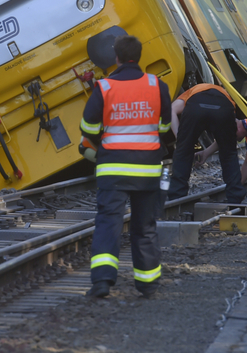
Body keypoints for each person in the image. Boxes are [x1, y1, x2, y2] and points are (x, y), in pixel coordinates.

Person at [79, 35, 171, 299]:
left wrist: (103, 139)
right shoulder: (157, 84)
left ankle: (102, 282)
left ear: (116, 58)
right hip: (147, 170)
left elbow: (87, 127)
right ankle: (148, 284)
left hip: (113, 169)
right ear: (138, 57)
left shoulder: (105, 87)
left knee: (108, 223)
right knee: (145, 226)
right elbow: (165, 126)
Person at [169, 84, 246, 203]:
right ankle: (235, 198)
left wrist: (181, 140)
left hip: (196, 106)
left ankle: (176, 198)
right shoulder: (225, 95)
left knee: (183, 152)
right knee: (229, 153)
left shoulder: (189, 93)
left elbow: (171, 110)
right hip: (223, 107)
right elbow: (225, 140)